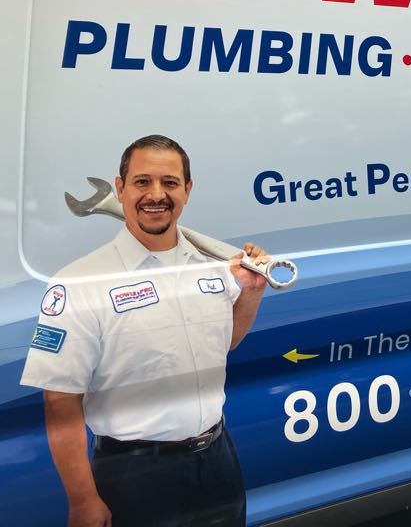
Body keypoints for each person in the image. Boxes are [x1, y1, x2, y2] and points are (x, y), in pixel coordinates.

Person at [20, 135, 269, 527]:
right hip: (134, 476)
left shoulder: (213, 266)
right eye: (142, 182)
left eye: (169, 182)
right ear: (120, 189)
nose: (156, 194)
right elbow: (59, 400)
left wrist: (251, 293)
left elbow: (224, 344)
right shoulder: (79, 283)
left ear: (187, 190)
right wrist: (83, 499)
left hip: (218, 459)